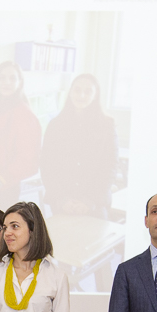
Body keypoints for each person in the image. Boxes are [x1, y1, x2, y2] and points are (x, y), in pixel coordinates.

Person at [40, 73, 118, 219]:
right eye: (77, 90)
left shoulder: (107, 125)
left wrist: (89, 202)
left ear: (95, 95)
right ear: (70, 92)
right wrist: (62, 199)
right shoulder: (55, 125)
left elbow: (110, 168)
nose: (81, 95)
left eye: (88, 91)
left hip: (95, 203)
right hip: (62, 202)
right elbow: (47, 166)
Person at [0, 61, 42, 210]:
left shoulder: (23, 114)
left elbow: (27, 158)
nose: (7, 82)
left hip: (5, 187)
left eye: (12, 78)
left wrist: (0, 182)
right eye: (2, 78)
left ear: (19, 82)